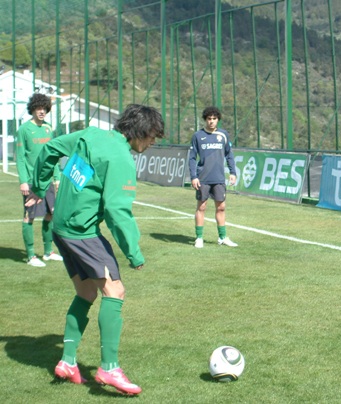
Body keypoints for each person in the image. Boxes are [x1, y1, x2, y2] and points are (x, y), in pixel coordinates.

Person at [26, 104, 165, 395]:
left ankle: (68, 362)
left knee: (86, 292)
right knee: (115, 291)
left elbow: (50, 148)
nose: (153, 142)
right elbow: (117, 211)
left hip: (62, 227)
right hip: (81, 231)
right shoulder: (121, 158)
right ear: (139, 131)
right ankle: (109, 368)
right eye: (152, 136)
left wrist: (40, 186)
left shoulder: (90, 134)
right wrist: (133, 253)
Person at [15, 93, 64, 267]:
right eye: (38, 108)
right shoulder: (24, 130)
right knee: (29, 216)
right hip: (31, 181)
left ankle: (48, 252)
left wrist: (57, 177)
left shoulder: (48, 129)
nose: (42, 111)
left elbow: (53, 156)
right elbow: (20, 157)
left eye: (44, 108)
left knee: (51, 214)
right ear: (33, 109)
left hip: (49, 180)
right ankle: (30, 256)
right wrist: (23, 181)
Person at [188, 106, 238, 248]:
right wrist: (193, 176)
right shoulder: (198, 136)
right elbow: (192, 158)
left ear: (218, 120)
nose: (211, 121)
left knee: (221, 207)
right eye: (209, 119)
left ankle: (222, 237)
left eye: (214, 119)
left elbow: (229, 154)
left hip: (219, 178)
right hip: (203, 178)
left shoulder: (223, 135)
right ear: (205, 120)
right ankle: (199, 238)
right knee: (201, 207)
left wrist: (233, 172)